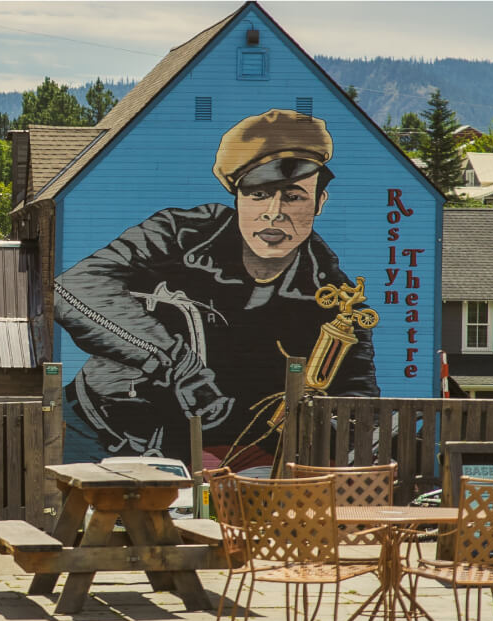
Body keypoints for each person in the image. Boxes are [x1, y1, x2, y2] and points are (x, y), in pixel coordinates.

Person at [56, 109, 378, 471]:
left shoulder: (336, 299)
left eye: (294, 197)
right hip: (102, 435)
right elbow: (75, 288)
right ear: (236, 198)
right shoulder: (179, 236)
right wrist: (175, 364)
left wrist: (333, 429)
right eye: (257, 194)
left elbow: (357, 404)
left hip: (229, 462)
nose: (273, 213)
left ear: (320, 202)